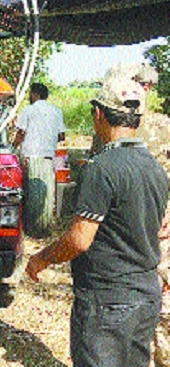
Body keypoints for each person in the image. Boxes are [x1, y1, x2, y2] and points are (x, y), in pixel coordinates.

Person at [26, 76, 169, 367]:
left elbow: (79, 239)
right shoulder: (155, 168)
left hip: (107, 300)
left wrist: (41, 258)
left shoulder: (100, 168)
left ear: (99, 114)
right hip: (145, 296)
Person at [12, 82, 65, 236]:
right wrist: (48, 138)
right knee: (46, 195)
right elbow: (62, 136)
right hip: (48, 157)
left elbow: (21, 133)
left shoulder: (28, 110)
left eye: (30, 94)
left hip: (31, 156)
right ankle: (44, 229)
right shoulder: (56, 111)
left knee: (30, 194)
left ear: (35, 94)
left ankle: (30, 229)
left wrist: (13, 147)